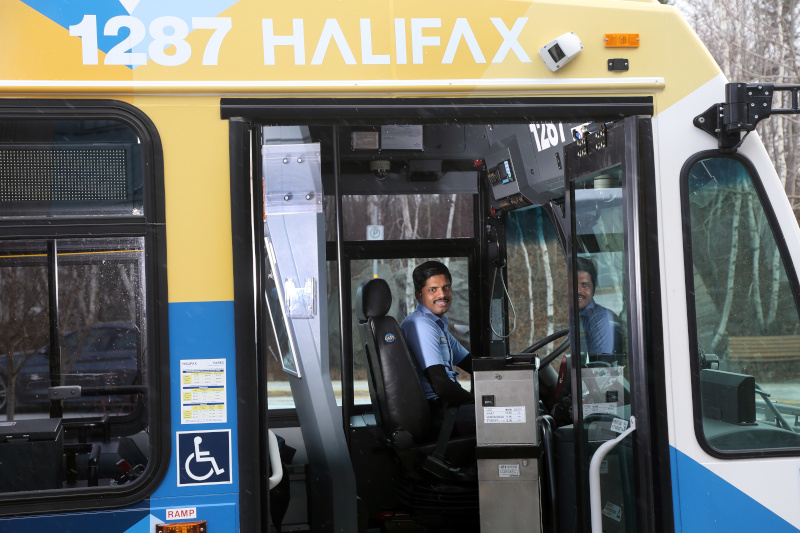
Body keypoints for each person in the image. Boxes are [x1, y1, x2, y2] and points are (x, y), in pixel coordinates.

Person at [400, 260, 475, 436]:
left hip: (447, 407)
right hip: (440, 412)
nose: (442, 294)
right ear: (419, 296)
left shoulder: (436, 325)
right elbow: (441, 386)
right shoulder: (421, 325)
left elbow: (473, 365)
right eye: (433, 290)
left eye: (446, 288)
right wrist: (478, 402)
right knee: (518, 421)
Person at [576, 256, 621, 357]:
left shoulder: (600, 318)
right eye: (573, 284)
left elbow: (599, 367)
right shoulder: (568, 315)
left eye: (585, 285)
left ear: (594, 289)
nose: (578, 291)